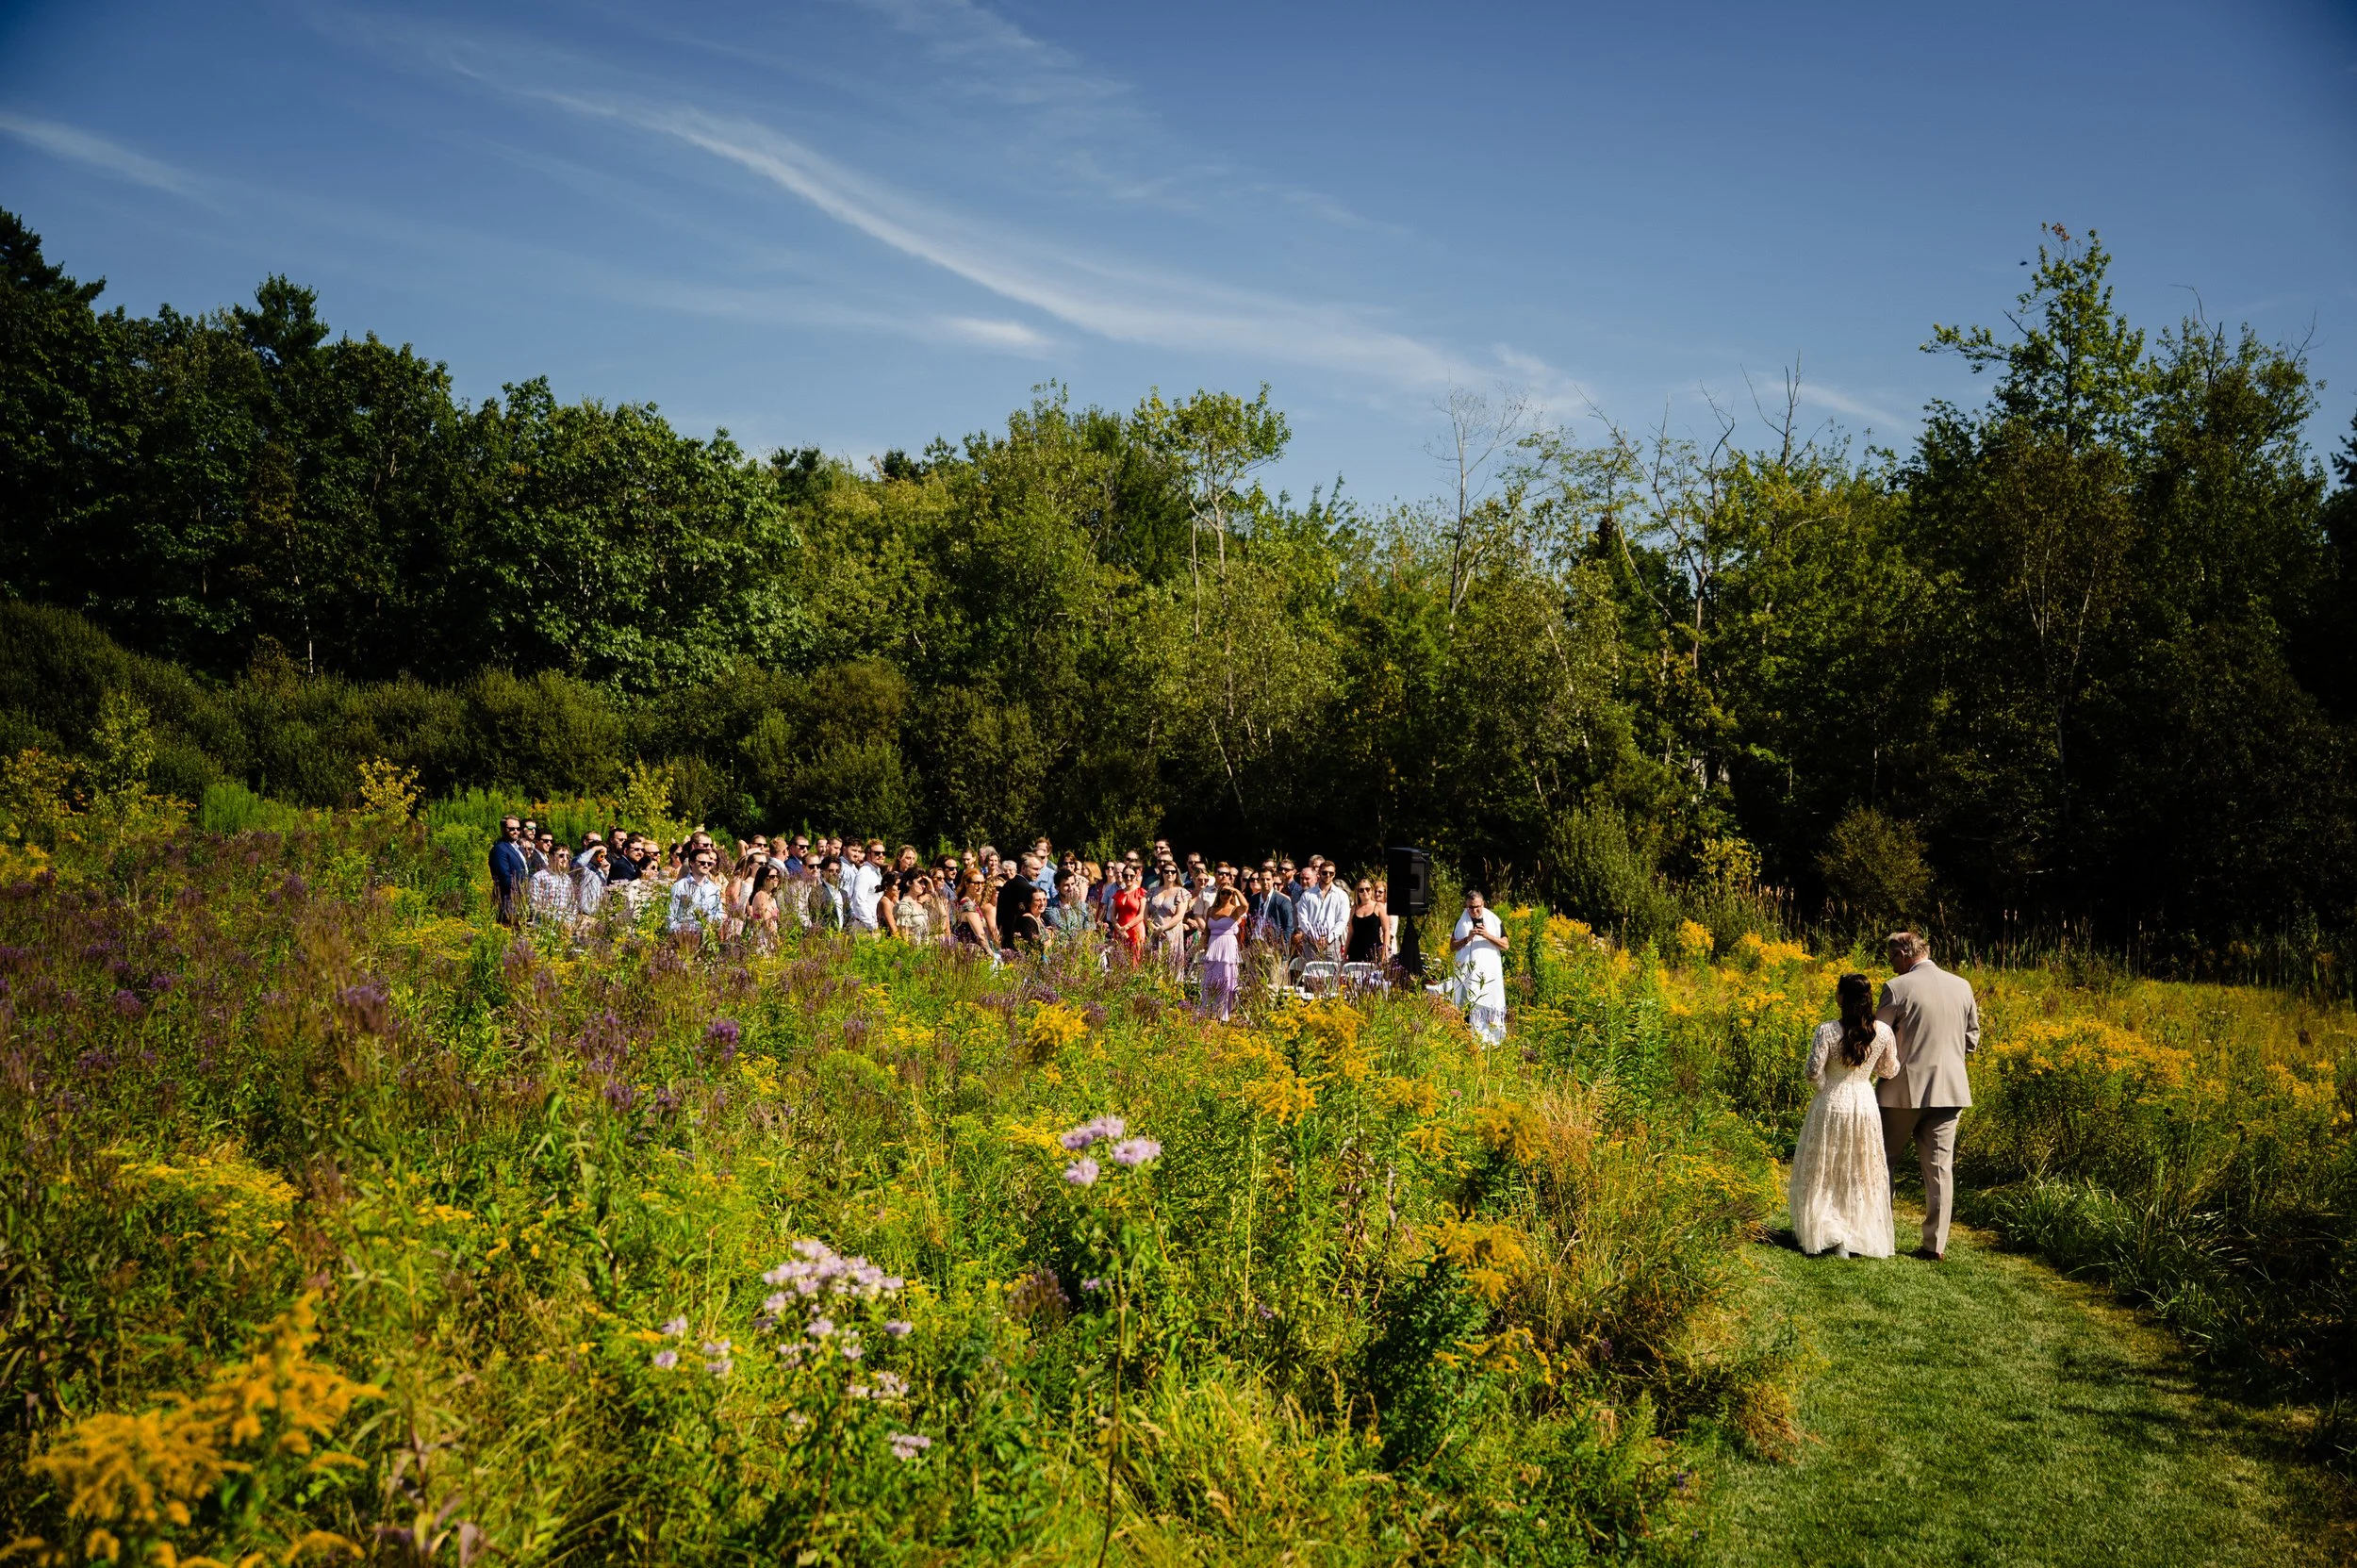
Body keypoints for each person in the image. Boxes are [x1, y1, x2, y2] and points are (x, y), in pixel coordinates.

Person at [1876, 931, 1979, 1261]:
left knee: (1883, 1161)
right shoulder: (1962, 985)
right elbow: (1971, 1040)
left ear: (1905, 953)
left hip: (1902, 1091)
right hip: (1950, 1089)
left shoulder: (1896, 988)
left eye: (1892, 958)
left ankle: (1881, 1235)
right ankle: (1934, 1246)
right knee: (1939, 1170)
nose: (1892, 965)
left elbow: (1878, 1039)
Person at [1790, 973, 1902, 1259]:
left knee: (1824, 1168)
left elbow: (1813, 1072)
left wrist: (1825, 1088)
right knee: (1858, 1170)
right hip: (1864, 1103)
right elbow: (1889, 1070)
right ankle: (1855, 1234)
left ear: (1842, 997)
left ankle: (1830, 1233)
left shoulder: (1827, 1030)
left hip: (1831, 1103)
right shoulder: (1883, 1032)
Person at [1449, 889, 1508, 1046]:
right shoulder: (1461, 922)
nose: (1474, 911)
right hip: (1466, 974)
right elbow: (1452, 946)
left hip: (1488, 975)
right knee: (1465, 1007)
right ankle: (1466, 1041)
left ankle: (1491, 1041)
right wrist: (1467, 938)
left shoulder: (1494, 921)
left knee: (1488, 1003)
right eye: (1470, 908)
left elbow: (1505, 945)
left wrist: (1487, 935)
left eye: (1477, 907)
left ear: (1483, 904)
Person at [1200, 886, 1246, 1021]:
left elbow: (1245, 906)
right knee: (1210, 978)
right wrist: (1205, 944)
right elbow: (1207, 930)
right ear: (1219, 894)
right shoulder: (1211, 910)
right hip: (1213, 945)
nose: (1225, 895)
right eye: (1223, 892)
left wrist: (1236, 890)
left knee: (1226, 978)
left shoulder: (1234, 910)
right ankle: (1208, 1011)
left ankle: (1223, 1013)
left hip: (1227, 945)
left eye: (1229, 893)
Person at [668, 846, 726, 936]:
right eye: (702, 863)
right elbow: (671, 915)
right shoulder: (680, 886)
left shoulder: (713, 888)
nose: (706, 866)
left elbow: (718, 913)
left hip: (708, 937)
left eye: (709, 863)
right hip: (685, 936)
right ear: (691, 863)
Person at [490, 816, 530, 927]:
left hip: (522, 900)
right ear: (503, 829)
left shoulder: (518, 848)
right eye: (511, 829)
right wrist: (522, 889)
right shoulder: (499, 849)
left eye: (518, 828)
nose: (516, 831)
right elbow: (504, 877)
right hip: (508, 900)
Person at [1346, 878, 1389, 966]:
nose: (1365, 892)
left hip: (1373, 951)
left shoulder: (1379, 906)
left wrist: (1385, 952)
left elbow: (1386, 930)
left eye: (1367, 889)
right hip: (1355, 951)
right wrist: (1345, 953)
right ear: (1357, 893)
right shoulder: (1354, 909)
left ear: (1372, 890)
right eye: (1361, 890)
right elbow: (1350, 932)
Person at [1112, 862, 1147, 962]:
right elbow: (1112, 915)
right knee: (1119, 962)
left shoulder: (1141, 892)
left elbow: (1141, 915)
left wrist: (1125, 928)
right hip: (1119, 930)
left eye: (1131, 876)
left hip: (1135, 930)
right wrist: (1119, 928)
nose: (1128, 878)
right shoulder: (1118, 893)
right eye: (1125, 875)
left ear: (1136, 876)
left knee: (1134, 961)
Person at [531, 844, 574, 925]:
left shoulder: (567, 879)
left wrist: (570, 922)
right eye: (561, 856)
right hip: (545, 926)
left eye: (567, 857)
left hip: (565, 927)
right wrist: (555, 920)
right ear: (550, 857)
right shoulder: (539, 877)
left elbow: (572, 905)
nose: (565, 859)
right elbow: (534, 904)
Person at [896, 874, 932, 944]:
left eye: (924, 883)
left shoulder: (920, 904)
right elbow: (904, 935)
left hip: (924, 950)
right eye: (920, 882)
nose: (923, 886)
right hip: (913, 951)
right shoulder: (905, 905)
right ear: (909, 883)